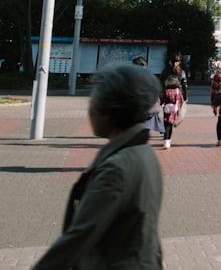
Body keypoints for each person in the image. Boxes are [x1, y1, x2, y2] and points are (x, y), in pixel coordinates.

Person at [33, 63, 164, 269]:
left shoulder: (117, 168)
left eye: (93, 101)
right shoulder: (142, 151)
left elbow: (78, 237)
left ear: (108, 112)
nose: (90, 108)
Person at [132, 56, 164, 137]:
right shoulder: (151, 77)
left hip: (139, 111)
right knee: (143, 133)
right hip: (150, 110)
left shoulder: (134, 78)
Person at [160, 75, 185, 149]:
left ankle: (165, 140)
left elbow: (162, 99)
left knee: (166, 125)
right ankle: (168, 140)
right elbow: (182, 100)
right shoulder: (178, 91)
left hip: (167, 111)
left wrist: (162, 104)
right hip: (174, 111)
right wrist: (178, 106)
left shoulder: (166, 91)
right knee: (170, 126)